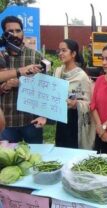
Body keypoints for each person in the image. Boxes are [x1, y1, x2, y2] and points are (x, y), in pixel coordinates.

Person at [32, 39, 94, 149]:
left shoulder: (81, 76)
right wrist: (44, 117)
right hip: (61, 120)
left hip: (74, 121)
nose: (60, 53)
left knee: (73, 153)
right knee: (61, 149)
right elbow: (52, 97)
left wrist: (76, 104)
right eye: (59, 51)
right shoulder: (58, 71)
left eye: (64, 50)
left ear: (73, 54)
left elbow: (88, 102)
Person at [0, 15, 44, 143]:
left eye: (18, 30)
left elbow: (46, 87)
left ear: (23, 32)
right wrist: (5, 87)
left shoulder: (36, 56)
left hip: (31, 120)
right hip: (7, 122)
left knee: (37, 158)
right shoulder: (1, 56)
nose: (15, 34)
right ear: (4, 34)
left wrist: (43, 115)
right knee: (8, 160)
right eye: (11, 31)